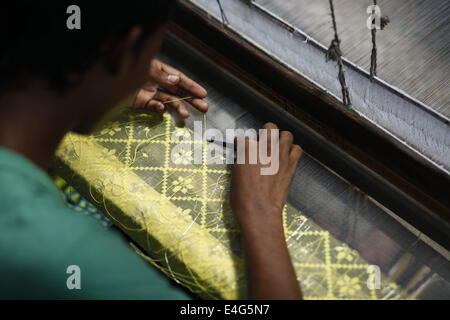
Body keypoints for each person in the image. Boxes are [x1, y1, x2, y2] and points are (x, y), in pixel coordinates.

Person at [0, 1, 303, 299]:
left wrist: (96, 86)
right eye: (151, 51)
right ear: (122, 50)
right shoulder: (64, 253)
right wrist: (260, 210)